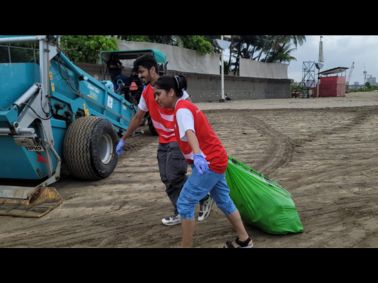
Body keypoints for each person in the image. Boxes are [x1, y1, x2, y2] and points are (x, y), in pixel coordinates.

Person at [154, 75, 254, 248]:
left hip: (209, 163)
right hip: (216, 158)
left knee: (184, 203)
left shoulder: (181, 109)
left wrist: (198, 155)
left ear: (171, 92)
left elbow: (190, 132)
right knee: (223, 200)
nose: (156, 99)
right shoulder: (186, 106)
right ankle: (244, 240)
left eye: (159, 94)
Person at [116, 55, 213, 226]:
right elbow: (139, 117)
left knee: (174, 175)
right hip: (163, 140)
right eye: (138, 73)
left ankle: (185, 209)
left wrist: (197, 144)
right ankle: (197, 199)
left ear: (152, 70)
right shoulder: (146, 92)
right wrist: (123, 138)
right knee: (166, 178)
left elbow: (192, 111)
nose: (139, 75)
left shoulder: (171, 86)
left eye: (141, 72)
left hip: (178, 138)